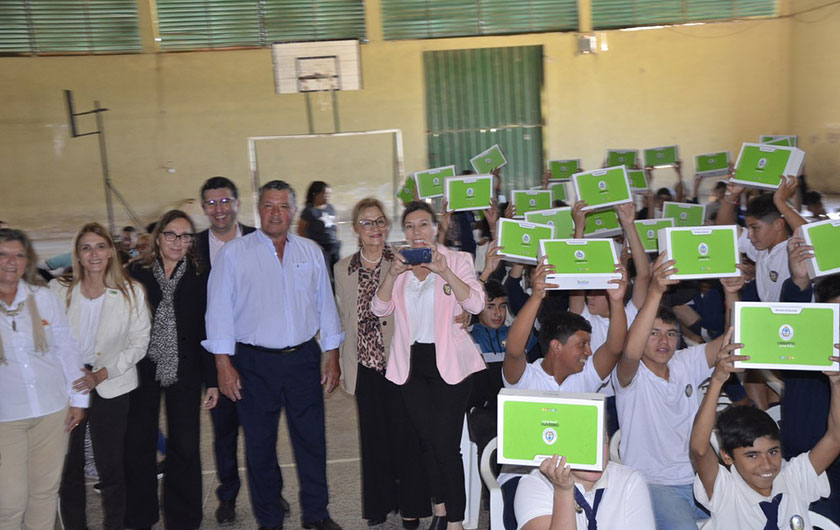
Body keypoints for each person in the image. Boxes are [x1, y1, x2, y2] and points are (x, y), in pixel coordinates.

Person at [204, 180, 344, 530]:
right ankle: (269, 519)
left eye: (283, 206)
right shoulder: (234, 254)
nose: (276, 213)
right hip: (254, 363)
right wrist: (223, 364)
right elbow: (217, 311)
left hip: (302, 359)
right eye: (269, 206)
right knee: (260, 447)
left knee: (311, 441)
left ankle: (316, 514)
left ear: (293, 211)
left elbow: (325, 303)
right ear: (258, 210)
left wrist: (332, 352)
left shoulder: (311, 251)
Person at [372, 201, 486, 530]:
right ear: (403, 232)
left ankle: (456, 521)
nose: (416, 232)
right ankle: (440, 507)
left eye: (423, 225)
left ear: (436, 228)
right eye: (409, 226)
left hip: (449, 363)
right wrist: (393, 273)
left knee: (445, 444)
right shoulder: (398, 264)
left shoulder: (458, 259)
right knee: (426, 440)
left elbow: (476, 303)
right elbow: (380, 309)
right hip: (411, 364)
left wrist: (443, 271)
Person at [612, 253, 734, 530]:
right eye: (653, 334)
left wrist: (731, 294)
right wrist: (656, 290)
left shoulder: (685, 361)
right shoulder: (629, 375)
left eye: (670, 333)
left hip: (700, 477)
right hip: (654, 484)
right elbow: (631, 351)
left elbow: (732, 341)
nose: (663, 341)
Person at [334, 198, 430, 528]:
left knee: (406, 438)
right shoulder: (342, 269)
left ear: (387, 226)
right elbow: (343, 319)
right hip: (365, 365)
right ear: (355, 230)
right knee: (373, 438)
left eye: (379, 222)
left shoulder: (405, 261)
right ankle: (379, 503)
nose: (374, 229)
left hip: (402, 363)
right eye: (366, 223)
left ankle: (411, 506)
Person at [50, 222, 151, 530]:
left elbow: (139, 343)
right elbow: (51, 337)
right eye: (86, 248)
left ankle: (115, 525)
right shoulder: (60, 290)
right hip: (69, 386)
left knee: (111, 466)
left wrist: (102, 373)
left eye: (100, 247)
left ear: (110, 252)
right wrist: (72, 371)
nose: (94, 254)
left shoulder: (131, 292)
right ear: (78, 255)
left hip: (113, 384)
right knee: (69, 468)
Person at [690, 328, 840, 529]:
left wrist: (837, 383)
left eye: (773, 452)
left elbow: (836, 438)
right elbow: (699, 449)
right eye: (752, 455)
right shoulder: (725, 490)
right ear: (727, 457)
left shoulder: (794, 478)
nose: (767, 464)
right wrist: (717, 380)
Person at [124, 210, 217, 530]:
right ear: (158, 237)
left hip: (186, 369)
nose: (178, 242)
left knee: (185, 445)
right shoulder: (136, 273)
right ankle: (140, 515)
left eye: (186, 236)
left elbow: (207, 329)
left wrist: (213, 381)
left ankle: (184, 518)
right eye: (172, 235)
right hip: (142, 370)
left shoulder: (200, 275)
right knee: (138, 443)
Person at [194, 176, 273, 524]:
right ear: (203, 209)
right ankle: (228, 495)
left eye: (224, 201)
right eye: (211, 203)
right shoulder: (193, 247)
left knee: (264, 432)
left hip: (259, 355)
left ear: (237, 203)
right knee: (224, 432)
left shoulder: (262, 241)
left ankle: (271, 493)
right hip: (215, 356)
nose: (219, 209)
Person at [0, 228, 88, 530]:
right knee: (9, 501)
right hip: (6, 417)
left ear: (28, 261)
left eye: (19, 255)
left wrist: (78, 400)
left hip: (52, 411)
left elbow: (66, 349)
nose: (11, 261)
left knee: (44, 493)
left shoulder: (43, 298)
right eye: (3, 254)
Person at [514, 443, 656, 529]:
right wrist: (563, 491)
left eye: (601, 442)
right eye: (583, 444)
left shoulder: (629, 481)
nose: (595, 454)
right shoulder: (535, 484)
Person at [298, 180, 341, 285]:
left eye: (329, 194)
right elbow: (300, 230)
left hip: (334, 248)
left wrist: (336, 239)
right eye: (325, 194)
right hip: (321, 250)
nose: (328, 197)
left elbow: (335, 225)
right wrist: (313, 246)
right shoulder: (309, 211)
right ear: (315, 194)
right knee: (325, 277)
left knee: (339, 274)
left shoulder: (330, 208)